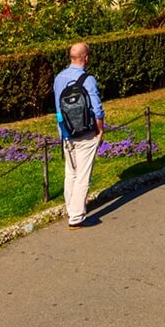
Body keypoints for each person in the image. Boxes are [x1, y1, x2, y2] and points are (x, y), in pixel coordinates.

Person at [54, 42, 105, 230]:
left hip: (66, 132)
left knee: (71, 172)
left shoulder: (59, 78)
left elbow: (58, 107)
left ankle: (71, 207)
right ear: (86, 58)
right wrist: (99, 129)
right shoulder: (88, 79)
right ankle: (76, 217)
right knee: (83, 175)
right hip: (85, 132)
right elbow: (97, 108)